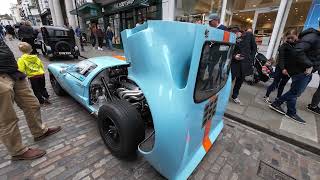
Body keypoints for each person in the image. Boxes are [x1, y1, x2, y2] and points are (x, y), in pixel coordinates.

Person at [0, 40, 61, 160]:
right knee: (7, 117)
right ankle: (17, 151)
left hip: (13, 72)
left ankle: (39, 132)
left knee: (32, 104)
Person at [269, 23, 320, 124]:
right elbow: (298, 51)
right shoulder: (312, 37)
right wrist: (309, 65)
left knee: (294, 92)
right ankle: (278, 105)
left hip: (305, 71)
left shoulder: (315, 37)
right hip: (302, 70)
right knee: (295, 92)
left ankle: (289, 111)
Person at [263, 29, 298, 104]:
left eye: (292, 38)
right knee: (275, 83)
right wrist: (283, 69)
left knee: (282, 85)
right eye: (288, 38)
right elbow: (281, 59)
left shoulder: (297, 45)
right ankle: (266, 96)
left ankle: (278, 98)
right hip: (281, 68)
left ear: (296, 37)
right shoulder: (284, 46)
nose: (290, 40)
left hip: (289, 69)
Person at [230, 26, 257, 105]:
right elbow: (229, 50)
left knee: (240, 80)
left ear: (239, 32)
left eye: (236, 34)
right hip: (235, 62)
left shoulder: (249, 35)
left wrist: (250, 58)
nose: (235, 36)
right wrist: (234, 56)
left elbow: (254, 48)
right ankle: (223, 95)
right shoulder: (232, 38)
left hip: (245, 63)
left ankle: (235, 96)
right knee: (230, 79)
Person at [306, 20, 320, 115]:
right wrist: (309, 65)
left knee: (298, 89)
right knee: (297, 89)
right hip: (308, 67)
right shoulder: (314, 37)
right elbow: (300, 50)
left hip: (313, 66)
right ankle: (279, 102)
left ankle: (313, 105)